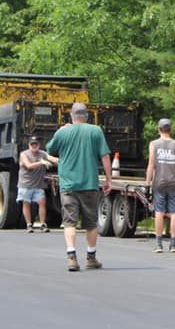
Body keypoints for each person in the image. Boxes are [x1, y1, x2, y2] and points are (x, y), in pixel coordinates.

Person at [45, 102, 113, 272]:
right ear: (87, 116)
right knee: (91, 223)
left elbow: (50, 149)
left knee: (69, 222)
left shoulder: (64, 132)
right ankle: (91, 258)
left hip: (68, 184)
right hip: (89, 183)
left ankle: (71, 258)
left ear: (72, 116)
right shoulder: (96, 131)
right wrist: (109, 180)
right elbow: (105, 156)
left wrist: (60, 131)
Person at [145, 118, 175, 253]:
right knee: (174, 213)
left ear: (159, 129)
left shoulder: (154, 144)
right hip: (173, 183)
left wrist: (147, 183)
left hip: (159, 183)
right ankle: (173, 244)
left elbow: (151, 165)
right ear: (170, 129)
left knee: (159, 212)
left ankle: (159, 244)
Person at [17, 136, 57, 233]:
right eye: (32, 144)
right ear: (29, 145)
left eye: (36, 144)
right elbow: (28, 166)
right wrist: (41, 162)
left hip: (38, 185)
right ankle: (29, 224)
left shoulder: (42, 153)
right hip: (25, 185)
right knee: (26, 204)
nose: (34, 146)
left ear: (39, 145)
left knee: (42, 203)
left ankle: (43, 224)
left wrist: (61, 160)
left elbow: (52, 159)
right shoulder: (24, 154)